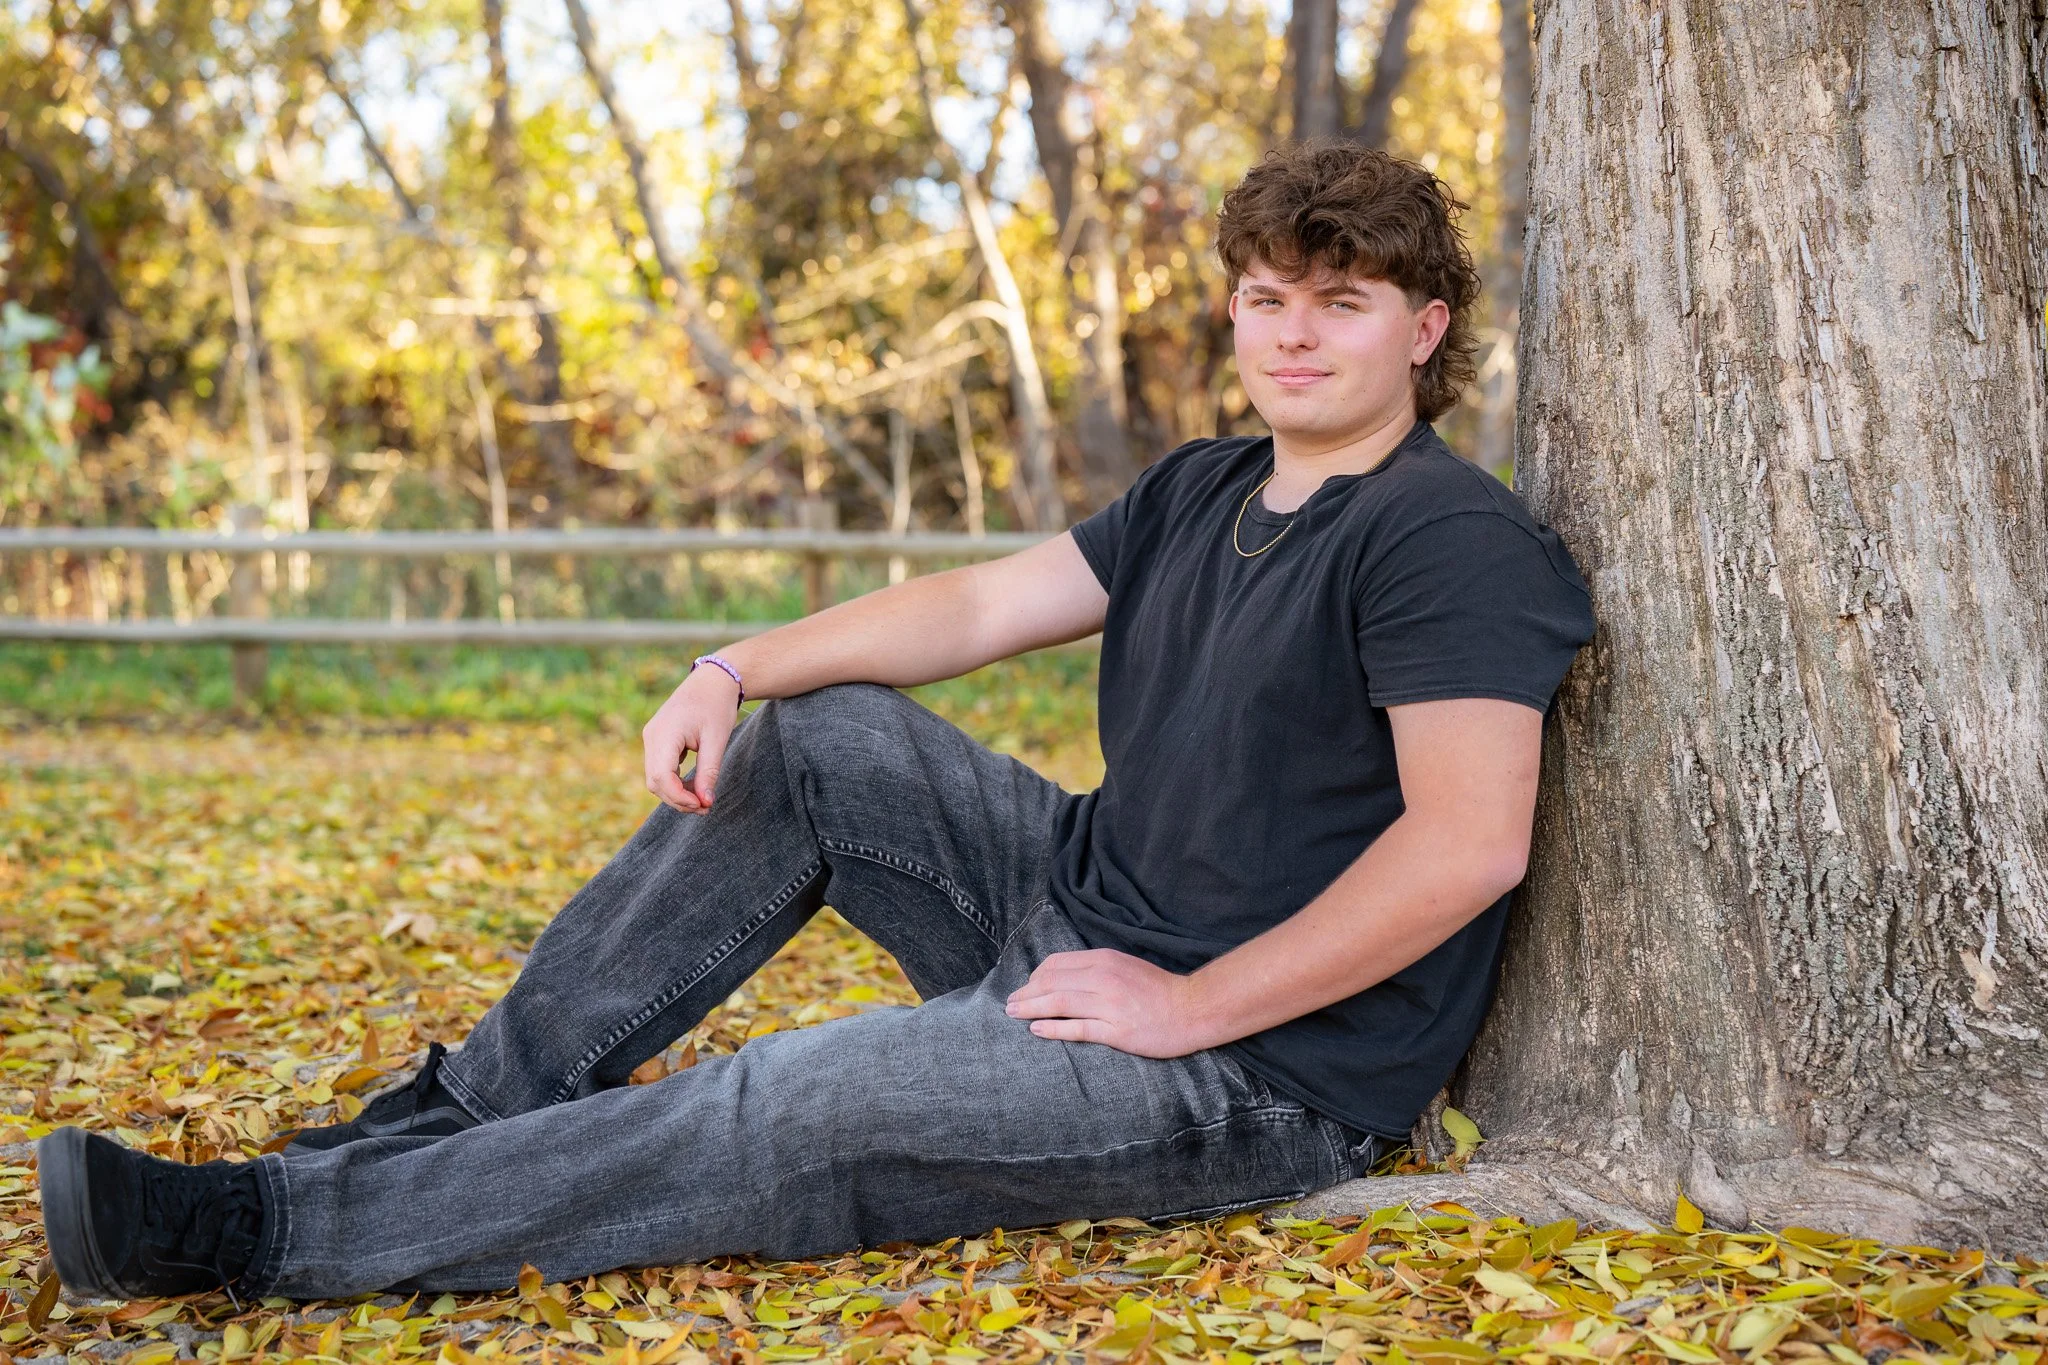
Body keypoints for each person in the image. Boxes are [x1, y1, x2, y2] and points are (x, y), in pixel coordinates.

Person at [38, 139, 1594, 1302]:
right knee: (823, 736)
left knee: (808, 1098)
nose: (1295, 333)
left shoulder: (1445, 539)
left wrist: (1192, 1011)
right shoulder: (1205, 487)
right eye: (1267, 299)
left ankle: (269, 1231)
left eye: (1344, 301)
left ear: (1426, 329)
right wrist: (733, 664)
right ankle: (449, 1123)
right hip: (1072, 909)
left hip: (1254, 1067)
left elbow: (1467, 846)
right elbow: (980, 610)